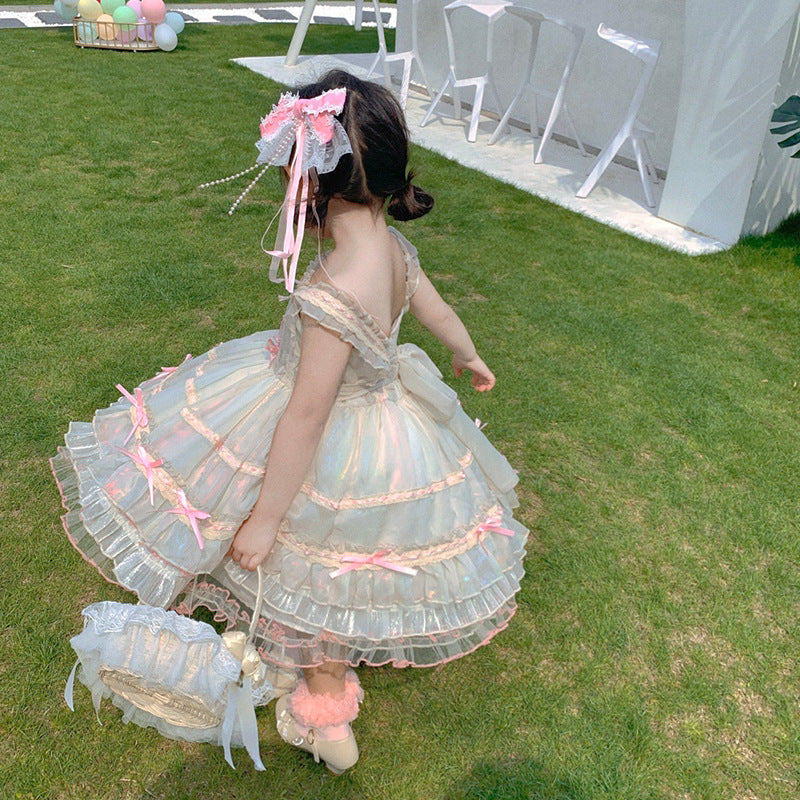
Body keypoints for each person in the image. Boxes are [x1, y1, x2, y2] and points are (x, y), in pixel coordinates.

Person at [51, 69, 528, 775]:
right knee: (340, 560)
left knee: (311, 563)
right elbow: (434, 306)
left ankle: (326, 716)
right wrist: (467, 352)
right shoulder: (392, 251)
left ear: (313, 179)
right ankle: (311, 683)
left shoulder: (333, 291)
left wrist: (267, 518)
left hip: (334, 435)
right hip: (388, 424)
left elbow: (306, 416)